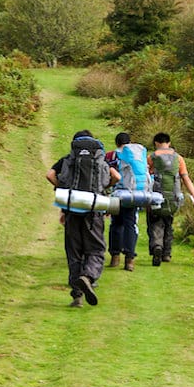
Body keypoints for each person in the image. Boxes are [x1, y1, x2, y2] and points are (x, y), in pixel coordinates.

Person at [47, 130, 120, 308]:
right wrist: (104, 190)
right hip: (94, 210)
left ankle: (77, 296)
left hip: (72, 209)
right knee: (95, 250)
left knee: (74, 253)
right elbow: (116, 177)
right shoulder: (100, 159)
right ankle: (87, 277)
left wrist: (62, 189)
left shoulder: (67, 159)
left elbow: (49, 175)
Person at [147, 132, 194, 266]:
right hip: (173, 198)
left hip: (156, 196)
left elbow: (146, 177)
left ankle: (156, 247)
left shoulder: (152, 157)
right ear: (169, 143)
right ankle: (166, 253)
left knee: (155, 223)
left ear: (156, 143)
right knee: (168, 224)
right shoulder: (178, 158)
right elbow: (185, 178)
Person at [105, 132, 150, 272]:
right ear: (130, 142)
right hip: (134, 194)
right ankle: (129, 260)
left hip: (116, 195)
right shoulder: (138, 155)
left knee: (116, 224)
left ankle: (115, 257)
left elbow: (106, 173)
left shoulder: (111, 156)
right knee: (130, 224)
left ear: (116, 143)